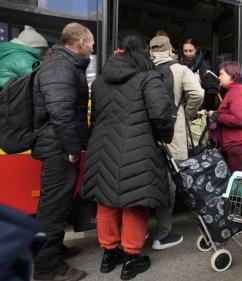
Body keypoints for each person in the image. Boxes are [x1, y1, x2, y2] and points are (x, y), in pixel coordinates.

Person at [81, 30, 174, 280]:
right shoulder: (148, 77)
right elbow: (162, 114)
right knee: (135, 204)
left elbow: (98, 115)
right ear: (143, 52)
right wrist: (163, 138)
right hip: (138, 148)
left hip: (102, 148)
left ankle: (109, 254)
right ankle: (131, 259)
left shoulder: (100, 81)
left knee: (106, 202)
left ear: (119, 51)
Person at [32, 22, 94, 281]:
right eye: (91, 43)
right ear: (81, 42)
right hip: (58, 147)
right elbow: (61, 112)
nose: (92, 48)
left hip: (55, 144)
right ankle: (48, 268)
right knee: (53, 209)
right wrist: (72, 148)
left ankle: (54, 250)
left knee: (56, 205)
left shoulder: (63, 64)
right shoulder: (61, 68)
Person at [149, 33, 204, 250]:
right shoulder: (181, 70)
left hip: (146, 135)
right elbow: (198, 94)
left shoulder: (145, 70)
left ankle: (138, 232)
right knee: (170, 183)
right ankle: (162, 233)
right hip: (173, 135)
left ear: (151, 52)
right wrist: (189, 112)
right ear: (170, 51)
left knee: (148, 180)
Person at [207, 61, 242, 172]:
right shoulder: (232, 91)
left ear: (232, 76)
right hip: (233, 147)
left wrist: (217, 115)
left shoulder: (238, 93)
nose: (218, 77)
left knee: (239, 185)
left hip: (238, 147)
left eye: (221, 74)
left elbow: (240, 120)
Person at [180, 37, 218, 110]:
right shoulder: (180, 61)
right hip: (183, 102)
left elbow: (211, 89)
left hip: (199, 104)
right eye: (185, 51)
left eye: (191, 51)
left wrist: (202, 81)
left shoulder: (203, 65)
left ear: (196, 49)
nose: (188, 54)